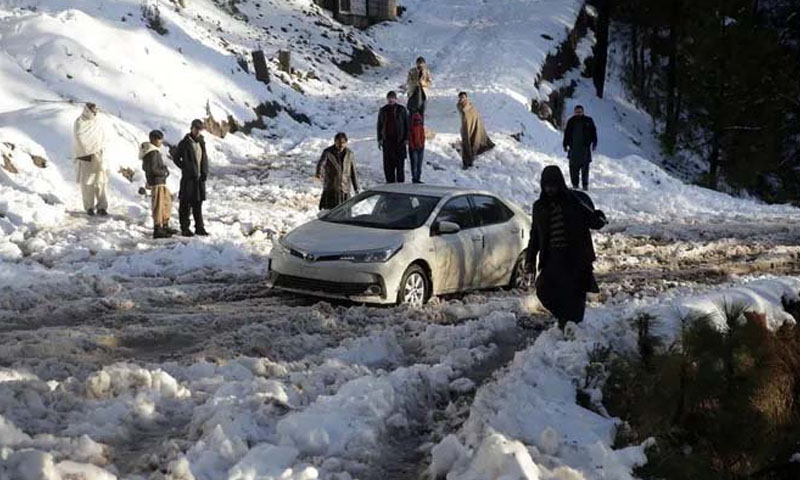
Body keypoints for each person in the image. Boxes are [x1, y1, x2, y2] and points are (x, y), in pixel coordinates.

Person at [526, 166, 607, 330]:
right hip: (552, 258)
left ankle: (573, 327)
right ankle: (565, 318)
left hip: (575, 258)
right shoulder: (539, 207)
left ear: (560, 184)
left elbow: (593, 221)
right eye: (547, 186)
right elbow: (535, 236)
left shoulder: (574, 201)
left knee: (575, 294)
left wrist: (600, 217)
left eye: (553, 185)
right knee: (543, 289)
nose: (550, 189)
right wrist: (530, 260)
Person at [172, 119, 209, 237]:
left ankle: (199, 228)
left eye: (200, 129)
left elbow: (204, 158)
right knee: (185, 204)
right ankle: (185, 228)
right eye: (196, 128)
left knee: (198, 204)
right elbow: (176, 158)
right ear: (192, 128)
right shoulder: (184, 143)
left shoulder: (201, 142)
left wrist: (204, 171)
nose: (198, 131)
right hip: (188, 179)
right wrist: (185, 168)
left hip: (199, 179)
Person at [73, 103, 109, 216]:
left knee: (101, 183)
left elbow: (102, 136)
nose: (94, 113)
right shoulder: (79, 122)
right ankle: (89, 207)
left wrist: (100, 149)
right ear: (87, 110)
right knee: (87, 184)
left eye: (95, 110)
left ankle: (102, 207)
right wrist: (92, 148)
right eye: (92, 110)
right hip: (86, 156)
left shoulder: (97, 121)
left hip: (99, 156)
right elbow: (80, 137)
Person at [140, 130, 175, 239]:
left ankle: (164, 225)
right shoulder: (152, 152)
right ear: (154, 140)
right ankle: (158, 228)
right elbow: (153, 169)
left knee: (166, 203)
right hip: (157, 182)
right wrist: (163, 171)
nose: (161, 142)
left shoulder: (152, 151)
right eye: (159, 140)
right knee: (159, 205)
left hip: (160, 181)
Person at [315, 132, 359, 210]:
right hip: (331, 187)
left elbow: (353, 172)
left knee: (345, 212)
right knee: (330, 211)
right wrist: (319, 173)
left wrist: (356, 188)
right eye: (338, 143)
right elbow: (321, 163)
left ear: (346, 142)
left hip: (344, 188)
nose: (341, 145)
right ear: (335, 142)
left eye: (343, 143)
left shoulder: (349, 154)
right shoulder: (328, 152)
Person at [562, 105, 598, 190]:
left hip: (585, 148)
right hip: (573, 148)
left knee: (585, 168)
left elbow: (594, 132)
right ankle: (575, 184)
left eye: (580, 111)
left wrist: (594, 143)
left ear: (583, 112)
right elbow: (566, 134)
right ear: (574, 112)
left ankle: (585, 185)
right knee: (573, 168)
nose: (578, 113)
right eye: (577, 112)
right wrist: (565, 144)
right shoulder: (571, 121)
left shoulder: (588, 121)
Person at [377, 91, 409, 183]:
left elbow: (407, 124)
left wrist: (406, 138)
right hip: (387, 141)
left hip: (399, 141)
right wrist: (379, 139)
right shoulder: (383, 110)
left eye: (392, 98)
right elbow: (379, 125)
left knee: (399, 165)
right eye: (389, 98)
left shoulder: (401, 109)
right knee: (388, 165)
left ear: (396, 99)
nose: (391, 100)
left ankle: (400, 184)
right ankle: (390, 183)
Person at [457, 92, 494, 169]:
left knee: (474, 139)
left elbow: (474, 115)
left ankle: (470, 158)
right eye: (461, 97)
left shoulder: (471, 106)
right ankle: (467, 161)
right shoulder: (460, 106)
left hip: (473, 125)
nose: (462, 99)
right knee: (466, 142)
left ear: (466, 97)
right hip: (466, 127)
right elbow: (463, 113)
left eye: (463, 97)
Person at [408, 112, 426, 184]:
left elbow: (423, 136)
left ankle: (418, 177)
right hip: (414, 148)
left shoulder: (421, 127)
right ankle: (415, 178)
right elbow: (410, 138)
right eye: (416, 120)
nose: (418, 121)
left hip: (420, 147)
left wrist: (422, 144)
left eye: (418, 120)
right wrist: (412, 146)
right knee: (414, 164)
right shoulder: (411, 128)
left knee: (419, 164)